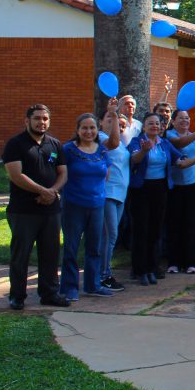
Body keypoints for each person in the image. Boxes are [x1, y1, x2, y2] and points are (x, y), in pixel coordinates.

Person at [2, 104, 70, 309]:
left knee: (50, 254)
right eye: (37, 118)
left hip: (50, 210)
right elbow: (16, 175)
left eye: (45, 119)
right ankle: (17, 296)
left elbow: (63, 173)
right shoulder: (15, 144)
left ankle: (49, 293)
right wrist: (43, 191)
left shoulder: (55, 144)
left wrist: (53, 192)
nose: (42, 122)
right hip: (23, 211)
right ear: (27, 121)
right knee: (21, 254)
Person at [59, 109, 121, 300]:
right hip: (73, 205)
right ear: (77, 130)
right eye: (84, 128)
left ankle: (93, 285)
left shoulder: (102, 150)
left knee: (94, 247)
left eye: (92, 127)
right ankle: (69, 288)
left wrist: (115, 115)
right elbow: (60, 173)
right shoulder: (68, 149)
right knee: (71, 247)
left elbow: (106, 173)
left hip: (97, 205)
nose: (88, 131)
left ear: (97, 129)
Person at [128, 113, 185, 286]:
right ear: (144, 127)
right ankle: (140, 270)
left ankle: (153, 268)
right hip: (141, 190)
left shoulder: (165, 143)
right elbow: (133, 159)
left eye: (157, 123)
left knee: (155, 229)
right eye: (150, 123)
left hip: (160, 189)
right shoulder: (137, 142)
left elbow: (180, 161)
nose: (154, 126)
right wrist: (144, 150)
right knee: (141, 230)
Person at [165, 109, 195, 274]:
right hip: (174, 187)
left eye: (187, 118)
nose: (185, 120)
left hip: (191, 186)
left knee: (190, 225)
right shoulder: (168, 135)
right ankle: (173, 262)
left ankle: (191, 262)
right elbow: (180, 143)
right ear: (173, 121)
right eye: (181, 118)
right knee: (174, 225)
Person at [100, 110, 131, 292]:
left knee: (111, 236)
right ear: (101, 122)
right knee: (109, 236)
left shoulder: (122, 144)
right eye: (110, 120)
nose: (117, 126)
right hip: (108, 193)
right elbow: (111, 143)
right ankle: (104, 275)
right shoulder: (101, 138)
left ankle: (104, 272)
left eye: (121, 125)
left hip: (121, 194)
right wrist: (113, 111)